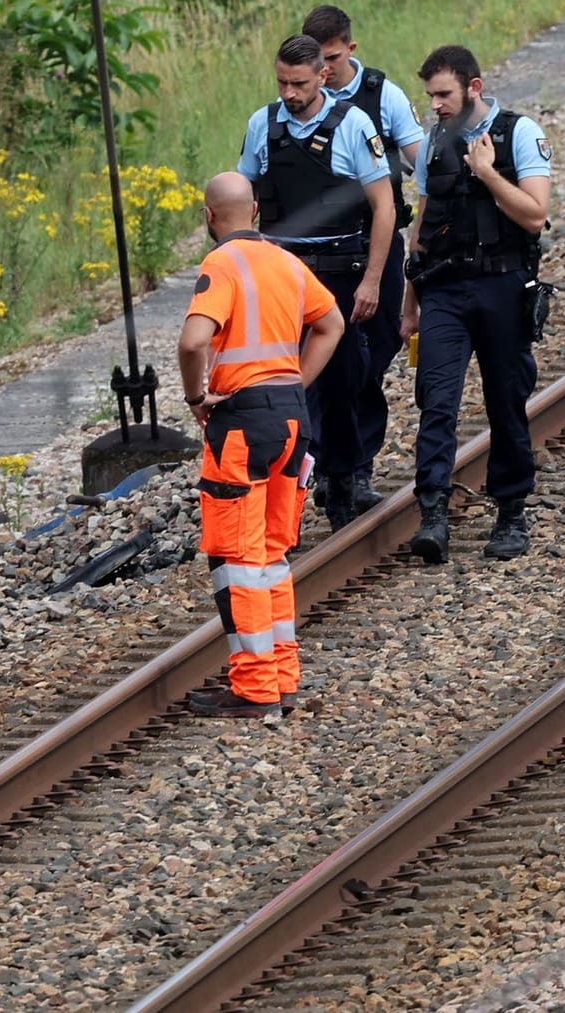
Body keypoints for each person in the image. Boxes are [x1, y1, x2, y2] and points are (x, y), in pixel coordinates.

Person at [178, 172, 346, 719]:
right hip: (292, 420)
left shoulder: (220, 265)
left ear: (209, 217)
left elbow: (193, 341)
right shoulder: (286, 262)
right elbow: (332, 324)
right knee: (273, 556)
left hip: (242, 423)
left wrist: (196, 395)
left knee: (237, 559)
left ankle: (254, 691)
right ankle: (283, 678)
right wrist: (295, 382)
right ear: (253, 211)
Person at [236, 33, 394, 530]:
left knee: (343, 382)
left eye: (299, 83)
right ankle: (294, 483)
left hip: (338, 275)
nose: (289, 93)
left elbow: (384, 207)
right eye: (282, 82)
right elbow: (241, 196)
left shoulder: (354, 125)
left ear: (322, 76)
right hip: (281, 273)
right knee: (283, 386)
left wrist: (372, 280)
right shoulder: (262, 125)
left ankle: (343, 478)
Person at [401, 45, 552, 562]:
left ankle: (510, 512)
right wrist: (409, 303)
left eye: (443, 94)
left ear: (474, 87)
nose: (436, 104)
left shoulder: (519, 133)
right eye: (430, 96)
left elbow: (535, 215)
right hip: (444, 289)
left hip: (504, 287)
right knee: (436, 400)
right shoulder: (433, 141)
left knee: (505, 399)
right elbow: (421, 227)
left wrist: (488, 174)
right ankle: (433, 514)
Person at [304, 5, 427, 516]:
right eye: (318, 61)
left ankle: (354, 465)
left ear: (349, 49)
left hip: (376, 243)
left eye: (332, 59)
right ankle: (335, 468)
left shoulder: (384, 95)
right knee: (319, 362)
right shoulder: (298, 103)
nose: (325, 71)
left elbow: (423, 159)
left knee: (371, 356)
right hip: (320, 254)